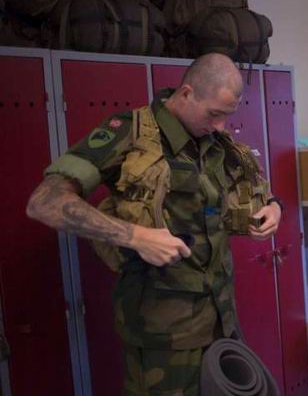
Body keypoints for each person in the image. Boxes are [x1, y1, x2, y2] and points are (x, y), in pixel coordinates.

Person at [26, 53, 282, 396]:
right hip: (163, 333)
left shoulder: (213, 141)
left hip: (222, 321)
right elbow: (45, 202)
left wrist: (274, 208)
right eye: (214, 114)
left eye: (227, 116)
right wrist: (135, 236)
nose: (221, 126)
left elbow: (254, 190)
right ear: (187, 93)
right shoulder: (130, 132)